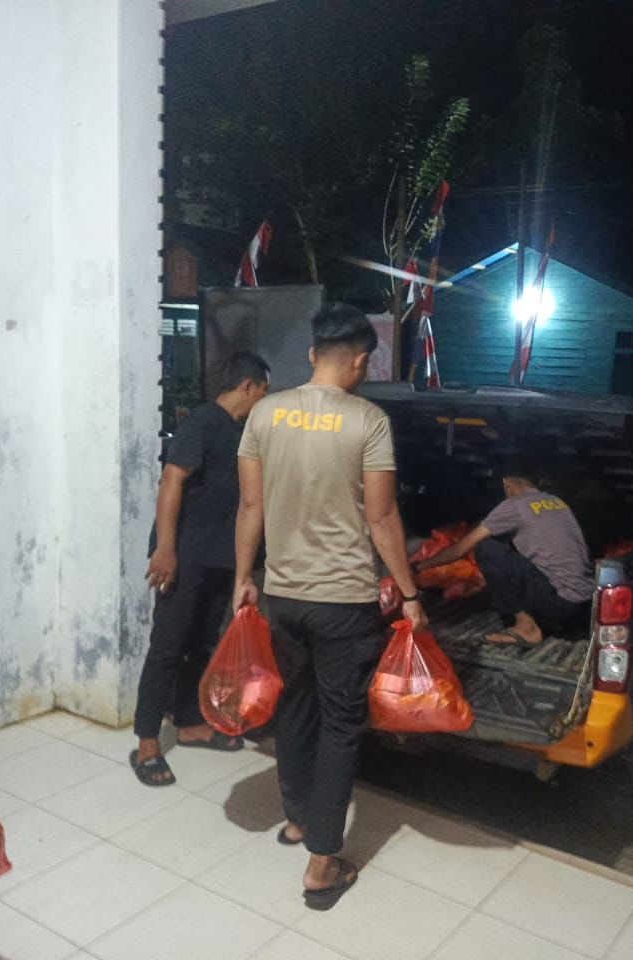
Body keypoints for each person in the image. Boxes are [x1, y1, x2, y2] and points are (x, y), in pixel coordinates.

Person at [232, 303, 426, 910]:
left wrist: (243, 578)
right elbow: (382, 517)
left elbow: (250, 507)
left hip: (284, 594)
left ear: (314, 353)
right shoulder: (368, 421)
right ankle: (322, 861)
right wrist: (411, 594)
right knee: (342, 723)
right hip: (343, 600)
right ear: (362, 361)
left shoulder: (264, 412)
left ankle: (297, 819)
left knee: (296, 705)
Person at [130, 351, 271, 787]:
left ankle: (190, 723)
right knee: (168, 646)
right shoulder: (204, 421)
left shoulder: (243, 431)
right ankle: (147, 741)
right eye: (263, 391)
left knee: (203, 644)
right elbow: (171, 479)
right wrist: (165, 548)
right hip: (185, 556)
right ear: (248, 386)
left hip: (220, 559)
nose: (264, 400)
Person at [414, 466, 593, 646]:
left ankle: (526, 628)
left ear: (506, 484)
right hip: (585, 605)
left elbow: (460, 549)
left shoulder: (515, 505)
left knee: (486, 548)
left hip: (560, 604)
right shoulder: (556, 501)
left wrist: (419, 566)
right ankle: (547, 622)